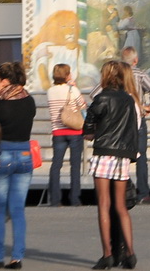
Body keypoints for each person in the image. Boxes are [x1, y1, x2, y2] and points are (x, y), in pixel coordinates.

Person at [83, 60, 140, 270]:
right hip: (123, 155)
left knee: (103, 205)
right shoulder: (129, 100)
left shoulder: (101, 98)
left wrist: (97, 131)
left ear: (106, 76)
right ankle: (130, 253)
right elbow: (132, 129)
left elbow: (88, 131)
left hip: (104, 152)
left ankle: (107, 254)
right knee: (121, 206)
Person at [0, 62, 35, 268]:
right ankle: (17, 257)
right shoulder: (29, 101)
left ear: (5, 81)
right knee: (17, 209)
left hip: (3, 154)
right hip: (25, 154)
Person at [120, 48, 150, 205]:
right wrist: (149, 106)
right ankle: (143, 193)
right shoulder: (140, 75)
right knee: (141, 156)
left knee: (121, 156)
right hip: (138, 118)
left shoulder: (116, 74)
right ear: (135, 60)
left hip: (120, 120)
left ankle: (122, 192)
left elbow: (96, 93)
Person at [45, 63, 85, 207]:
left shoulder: (50, 91)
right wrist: (73, 86)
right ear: (67, 75)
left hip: (58, 131)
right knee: (75, 165)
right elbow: (83, 106)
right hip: (74, 131)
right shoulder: (73, 90)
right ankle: (75, 198)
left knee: (56, 165)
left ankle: (55, 199)